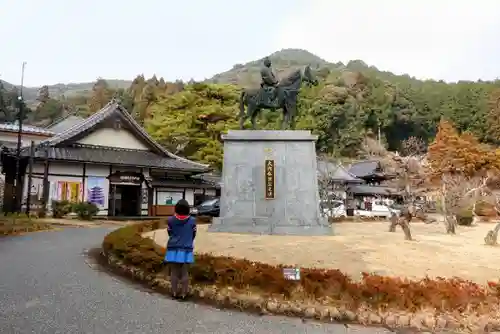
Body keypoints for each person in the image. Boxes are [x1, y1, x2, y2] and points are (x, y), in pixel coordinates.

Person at [164, 199, 197, 300]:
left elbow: (169, 233)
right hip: (186, 248)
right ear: (188, 209)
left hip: (173, 248)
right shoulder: (192, 221)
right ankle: (183, 294)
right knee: (184, 272)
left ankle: (174, 292)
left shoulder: (170, 220)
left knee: (174, 271)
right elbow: (193, 234)